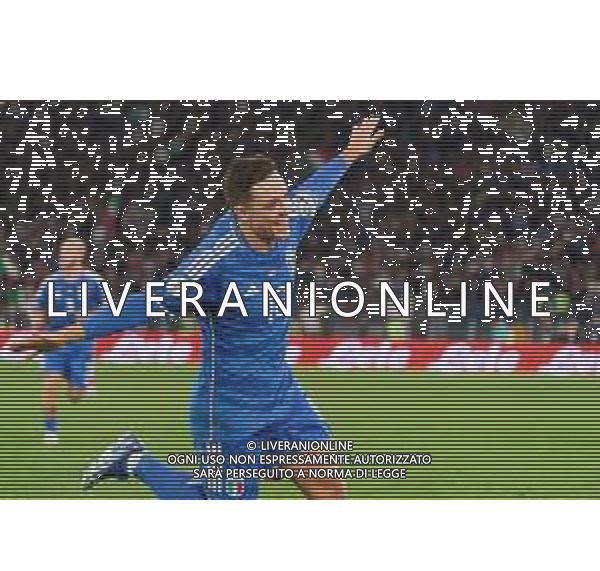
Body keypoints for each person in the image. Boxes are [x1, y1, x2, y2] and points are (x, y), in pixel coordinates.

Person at [11, 115, 384, 498]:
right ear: (243, 212)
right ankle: (136, 460)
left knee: (331, 494)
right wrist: (64, 336)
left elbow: (315, 190)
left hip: (282, 395)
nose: (286, 210)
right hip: (227, 409)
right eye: (273, 204)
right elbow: (145, 304)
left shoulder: (285, 221)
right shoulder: (213, 262)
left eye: (284, 198)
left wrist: (350, 153)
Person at [28, 236, 105, 444]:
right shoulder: (51, 281)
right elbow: (38, 308)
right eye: (63, 250)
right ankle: (51, 431)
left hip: (80, 342)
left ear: (80, 254)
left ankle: (83, 380)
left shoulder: (93, 281)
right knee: (50, 384)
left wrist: (91, 317)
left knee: (75, 397)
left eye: (70, 251)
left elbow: (107, 309)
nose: (64, 255)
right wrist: (36, 333)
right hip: (54, 341)